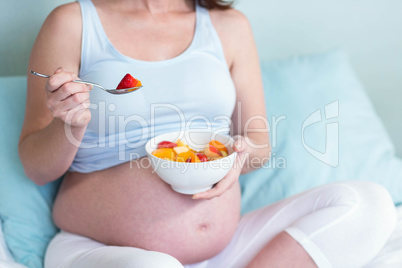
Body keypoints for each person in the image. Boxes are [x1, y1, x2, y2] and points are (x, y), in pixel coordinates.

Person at [19, 0, 397, 267]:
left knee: (369, 204)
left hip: (224, 250)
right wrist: (69, 124)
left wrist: (236, 154)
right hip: (100, 250)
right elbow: (36, 168)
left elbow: (258, 144)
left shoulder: (229, 26)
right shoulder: (72, 22)